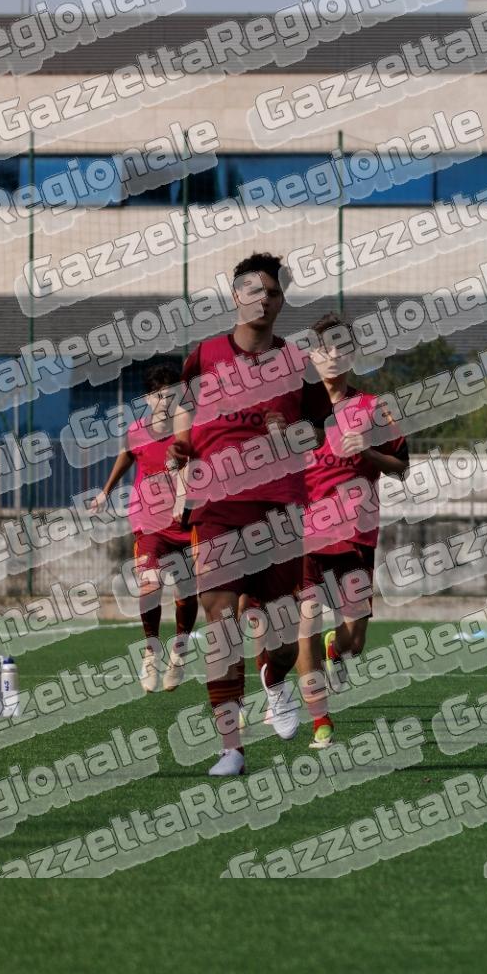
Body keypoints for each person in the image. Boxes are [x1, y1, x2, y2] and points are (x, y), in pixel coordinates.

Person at [170, 253, 333, 775]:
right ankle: (231, 749)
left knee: (282, 638)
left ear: (282, 302)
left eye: (273, 293)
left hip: (280, 509)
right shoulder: (204, 355)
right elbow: (184, 408)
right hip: (217, 505)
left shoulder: (298, 363)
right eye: (253, 291)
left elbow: (320, 432)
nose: (263, 300)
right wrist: (180, 445)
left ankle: (275, 679)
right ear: (235, 296)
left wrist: (293, 435)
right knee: (219, 617)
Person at [296, 312, 409, 749]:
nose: (333, 357)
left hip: (355, 535)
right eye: (324, 349)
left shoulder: (372, 408)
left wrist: (369, 453)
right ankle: (320, 721)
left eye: (342, 349)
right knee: (304, 623)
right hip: (303, 535)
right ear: (312, 356)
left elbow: (402, 466)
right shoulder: (295, 410)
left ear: (352, 356)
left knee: (355, 640)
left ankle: (336, 648)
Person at [90, 361, 198, 693]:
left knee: (185, 592)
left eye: (170, 393)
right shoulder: (137, 430)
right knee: (149, 585)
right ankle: (151, 653)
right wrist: (105, 491)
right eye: (158, 394)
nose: (164, 400)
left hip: (185, 522)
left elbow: (193, 463)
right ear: (148, 398)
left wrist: (184, 495)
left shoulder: (188, 430)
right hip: (148, 521)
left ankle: (179, 651)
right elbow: (127, 454)